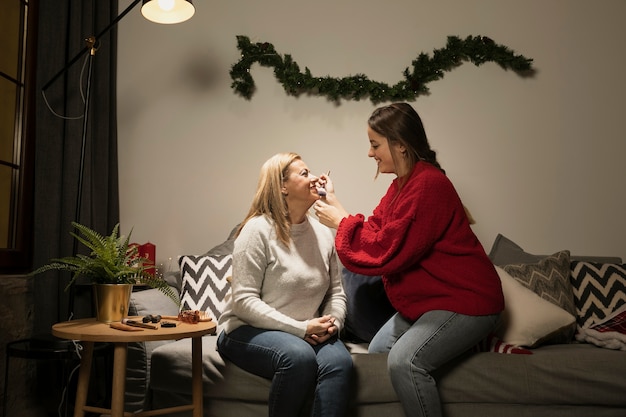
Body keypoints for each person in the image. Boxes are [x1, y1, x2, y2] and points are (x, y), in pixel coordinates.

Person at [313, 103, 504, 417]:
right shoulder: (401, 185)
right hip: (434, 301)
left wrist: (340, 221)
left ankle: (472, 338)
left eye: (375, 145)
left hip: (468, 301)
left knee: (405, 361)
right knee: (379, 350)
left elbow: (387, 250)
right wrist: (336, 205)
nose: (370, 153)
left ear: (399, 144)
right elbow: (376, 228)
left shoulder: (429, 185)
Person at [217, 152, 352, 417]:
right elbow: (243, 302)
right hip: (246, 329)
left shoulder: (324, 233)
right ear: (281, 186)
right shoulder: (256, 230)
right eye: (304, 174)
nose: (314, 178)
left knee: (340, 363)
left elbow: (336, 292)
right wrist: (301, 329)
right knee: (298, 357)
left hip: (307, 330)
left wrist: (333, 322)